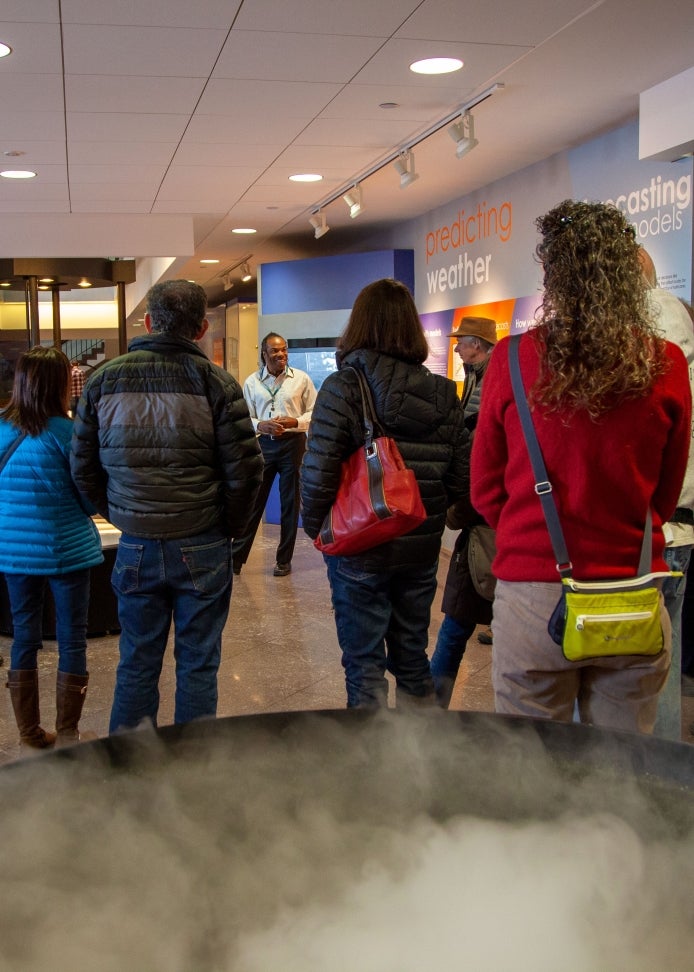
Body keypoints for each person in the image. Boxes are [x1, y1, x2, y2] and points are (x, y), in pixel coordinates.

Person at [471, 200, 691, 734]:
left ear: (553, 275)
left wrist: (533, 533)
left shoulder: (513, 360)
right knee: (620, 772)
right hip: (632, 592)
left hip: (534, 591)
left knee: (529, 765)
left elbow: (484, 488)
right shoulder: (666, 363)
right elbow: (663, 497)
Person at [71, 280, 263, 733]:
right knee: (198, 664)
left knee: (136, 661)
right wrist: (228, 528)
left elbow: (82, 468)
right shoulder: (216, 382)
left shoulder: (103, 381)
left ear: (149, 322)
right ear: (199, 330)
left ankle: (129, 773)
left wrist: (119, 513)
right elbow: (246, 470)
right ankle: (193, 774)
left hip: (135, 544)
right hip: (203, 542)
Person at [300, 278, 469, 708]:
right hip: (420, 549)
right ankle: (416, 763)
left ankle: (372, 767)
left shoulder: (344, 387)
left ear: (359, 326)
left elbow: (317, 470)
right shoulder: (443, 393)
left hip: (360, 545)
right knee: (413, 658)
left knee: (363, 664)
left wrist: (318, 529)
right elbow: (461, 478)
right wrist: (425, 513)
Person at [1, 346, 103, 750]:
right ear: (61, 384)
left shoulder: (1, 428)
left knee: (24, 637)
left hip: (13, 553)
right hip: (66, 551)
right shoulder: (68, 433)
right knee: (71, 638)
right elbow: (86, 499)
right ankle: (69, 733)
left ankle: (28, 733)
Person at [638, 248, 694, 740]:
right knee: (664, 663)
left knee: (640, 674)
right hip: (680, 524)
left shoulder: (647, 338)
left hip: (652, 529)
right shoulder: (681, 329)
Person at [429, 316, 497, 706]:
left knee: (455, 626)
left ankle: (430, 716)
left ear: (478, 344)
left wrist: (460, 506)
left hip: (481, 517)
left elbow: (479, 454)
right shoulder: (476, 377)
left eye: (461, 342)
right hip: (483, 514)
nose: (455, 348)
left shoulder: (487, 384)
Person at [232, 333, 317, 577]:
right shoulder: (251, 383)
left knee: (290, 504)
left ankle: (283, 560)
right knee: (254, 502)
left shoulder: (301, 379)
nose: (281, 355)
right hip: (263, 446)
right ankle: (236, 558)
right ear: (264, 354)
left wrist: (295, 421)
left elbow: (315, 412)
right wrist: (261, 425)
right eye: (275, 351)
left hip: (293, 445)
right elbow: (242, 418)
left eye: (284, 350)